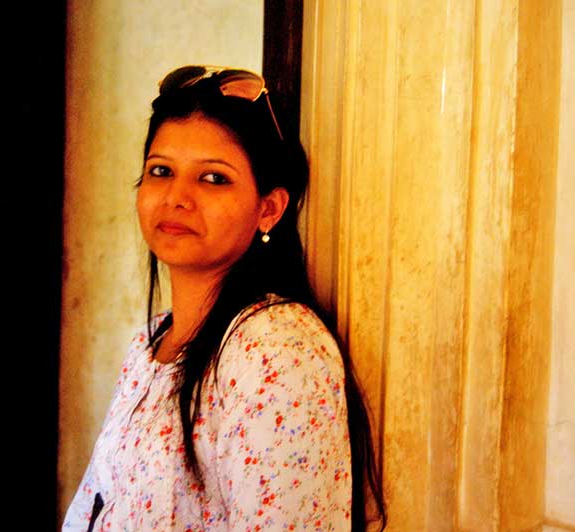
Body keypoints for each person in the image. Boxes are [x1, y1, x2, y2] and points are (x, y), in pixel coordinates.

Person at [63, 65, 385, 531]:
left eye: (213, 178)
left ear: (268, 209)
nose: (176, 197)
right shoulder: (150, 343)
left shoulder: (275, 348)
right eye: (161, 171)